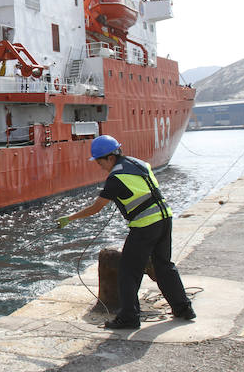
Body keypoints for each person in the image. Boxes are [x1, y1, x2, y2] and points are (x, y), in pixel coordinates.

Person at [55, 135, 195, 329]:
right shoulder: (140, 164)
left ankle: (129, 318)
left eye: (99, 161)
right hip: (165, 219)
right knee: (164, 266)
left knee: (128, 272)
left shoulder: (115, 179)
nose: (99, 166)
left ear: (109, 157)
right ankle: (183, 308)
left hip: (145, 226)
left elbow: (96, 208)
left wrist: (69, 218)